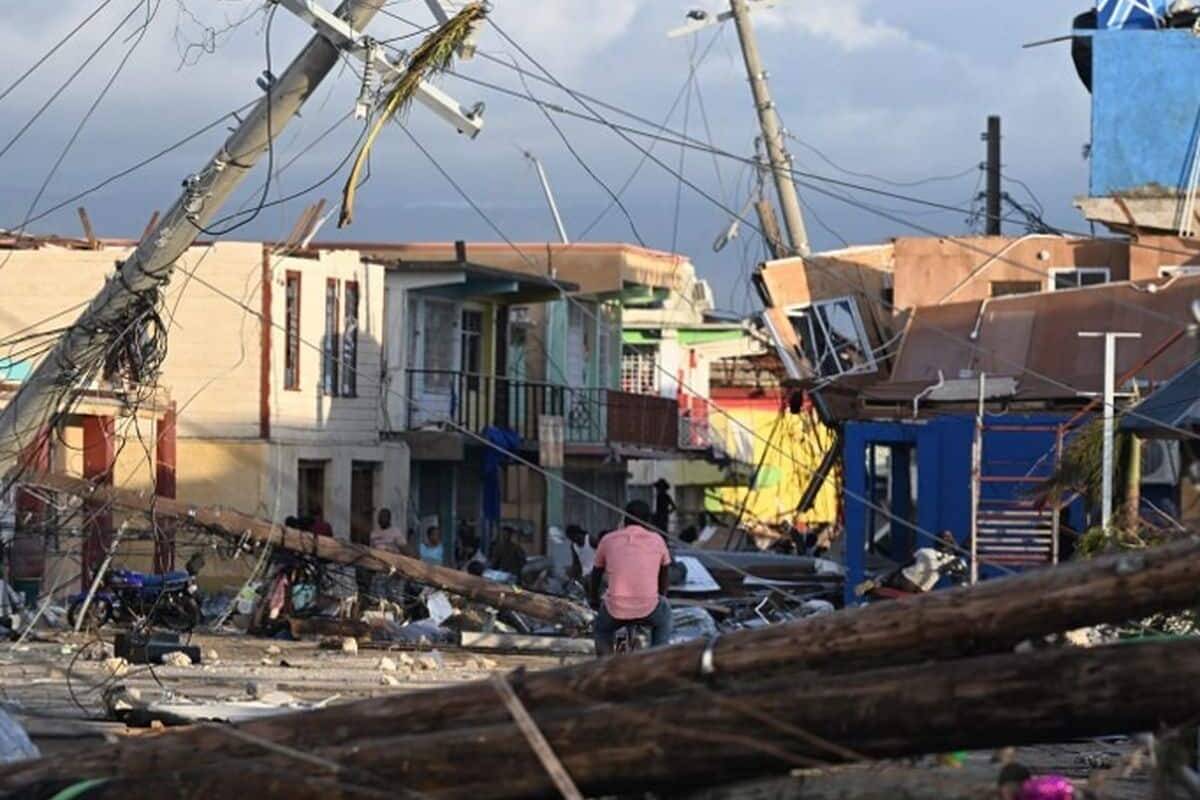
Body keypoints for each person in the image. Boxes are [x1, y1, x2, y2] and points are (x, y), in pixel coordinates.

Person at [590, 500, 673, 655]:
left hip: (615, 610)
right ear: (648, 520)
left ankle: (603, 666)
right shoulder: (657, 540)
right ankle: (658, 659)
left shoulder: (608, 539)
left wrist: (593, 599)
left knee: (601, 630)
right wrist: (661, 596)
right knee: (665, 619)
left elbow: (595, 574)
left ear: (624, 518)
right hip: (649, 608)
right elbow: (664, 574)